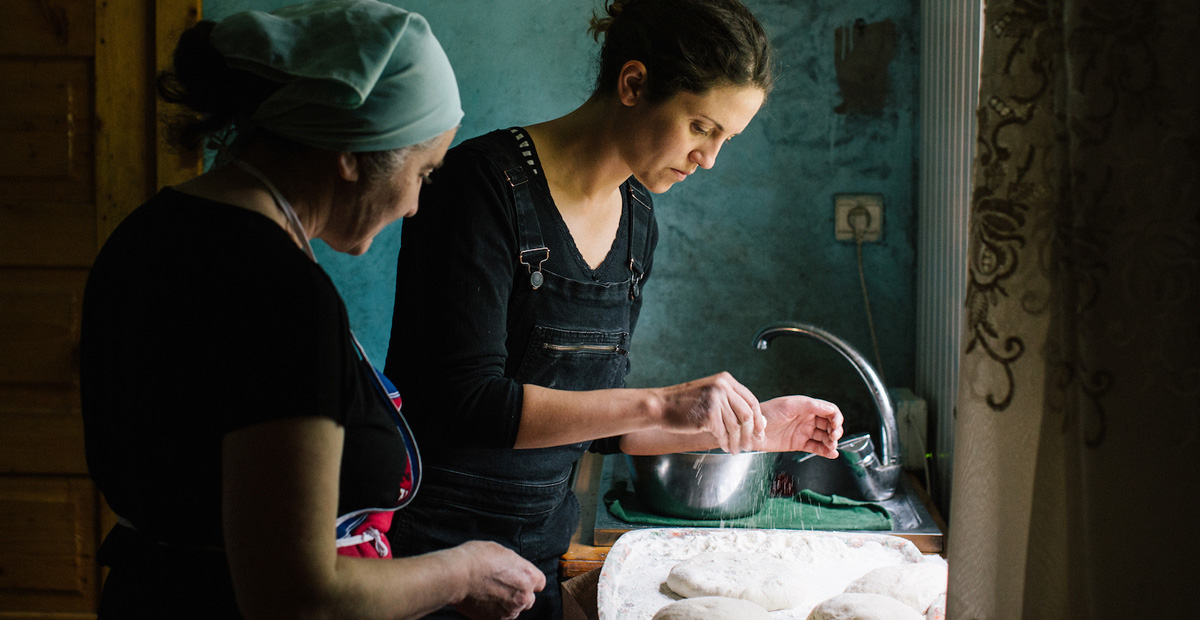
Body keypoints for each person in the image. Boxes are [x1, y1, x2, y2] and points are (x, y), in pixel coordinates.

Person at [79, 1, 544, 618]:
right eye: (423, 173)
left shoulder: (144, 234)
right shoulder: (281, 292)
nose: (414, 205)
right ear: (352, 153)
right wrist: (461, 572)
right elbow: (296, 594)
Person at [383, 0, 846, 617]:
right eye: (701, 127)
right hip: (433, 557)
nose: (709, 159)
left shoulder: (637, 218)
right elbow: (465, 402)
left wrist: (749, 426)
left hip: (538, 557)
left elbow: (600, 425)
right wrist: (666, 400)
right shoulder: (479, 187)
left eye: (725, 139)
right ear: (633, 84)